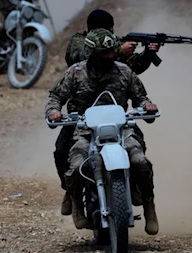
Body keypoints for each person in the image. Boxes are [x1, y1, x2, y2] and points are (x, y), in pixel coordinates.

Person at [45, 28, 159, 235]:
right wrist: (54, 111)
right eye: (103, 53)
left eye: (110, 52)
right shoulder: (75, 72)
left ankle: (149, 205)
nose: (108, 57)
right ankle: (76, 203)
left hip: (119, 128)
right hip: (84, 129)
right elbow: (55, 96)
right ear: (91, 53)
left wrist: (148, 105)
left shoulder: (124, 71)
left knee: (140, 161)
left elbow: (141, 97)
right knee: (76, 165)